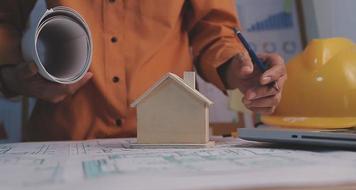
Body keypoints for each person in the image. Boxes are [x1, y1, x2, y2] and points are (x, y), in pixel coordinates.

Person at [0, 0, 287, 141]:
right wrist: (12, 77)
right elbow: (4, 22)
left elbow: (213, 30)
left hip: (170, 141)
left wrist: (237, 66)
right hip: (64, 138)